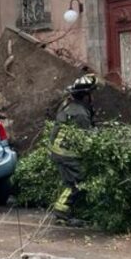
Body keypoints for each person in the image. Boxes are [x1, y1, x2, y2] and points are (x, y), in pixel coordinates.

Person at [49, 73, 98, 225]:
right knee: (76, 183)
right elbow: (88, 139)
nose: (93, 98)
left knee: (73, 181)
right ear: (85, 97)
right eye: (91, 94)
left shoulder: (69, 106)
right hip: (67, 154)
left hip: (59, 151)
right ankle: (61, 213)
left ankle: (71, 210)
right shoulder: (80, 114)